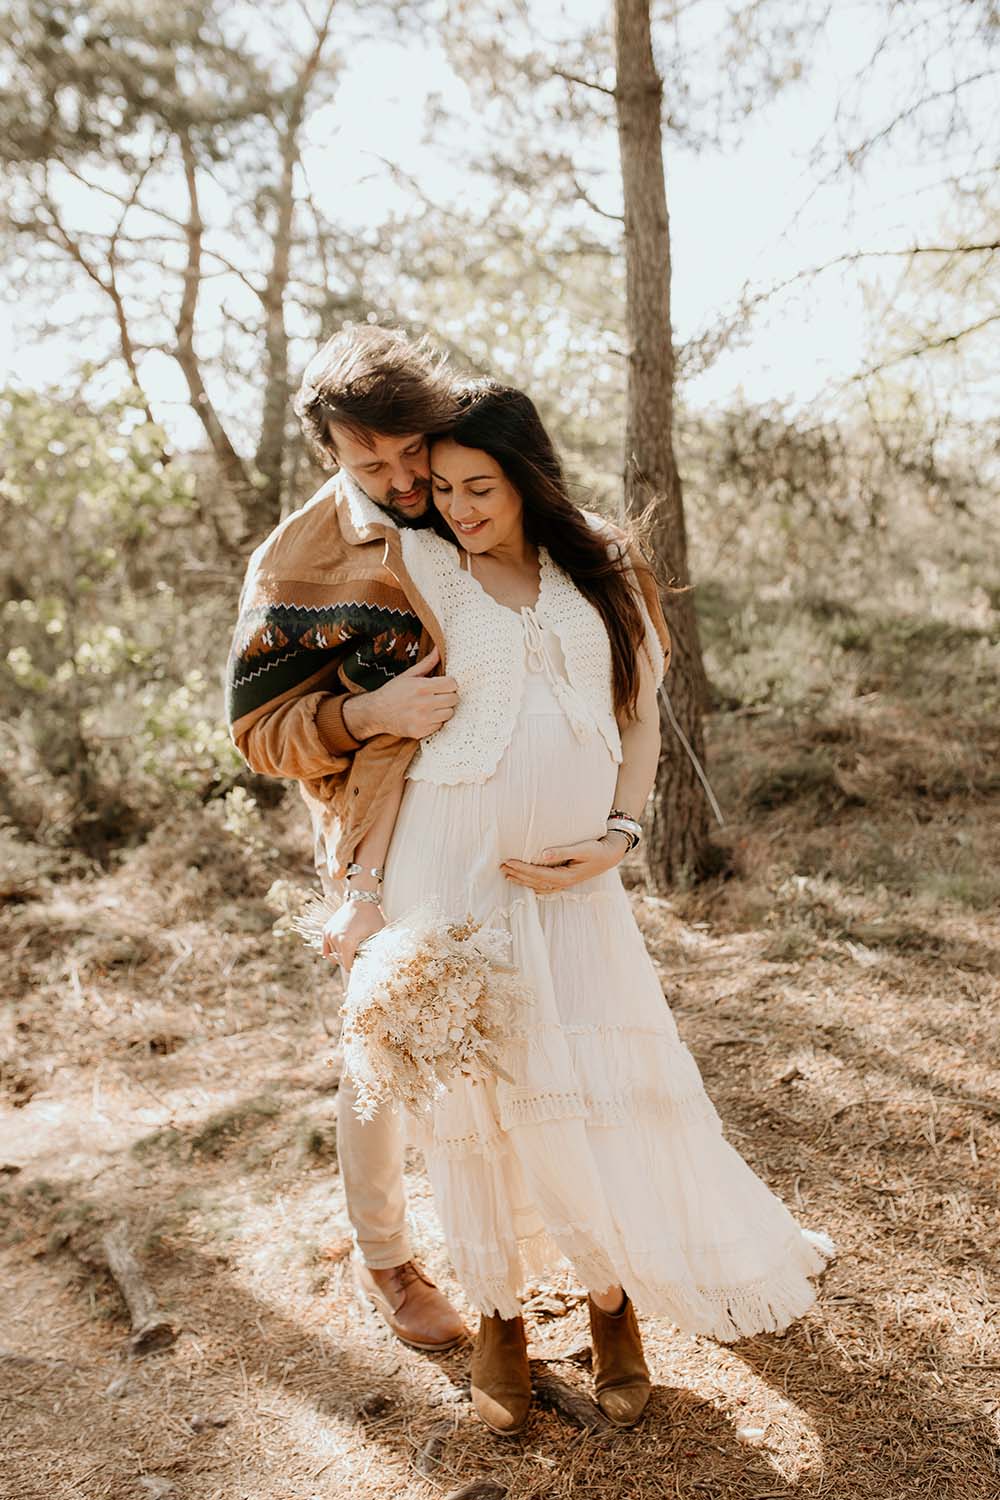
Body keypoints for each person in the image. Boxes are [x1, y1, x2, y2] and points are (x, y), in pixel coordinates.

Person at [322, 381, 834, 1436]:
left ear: (529, 481)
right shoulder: (418, 568)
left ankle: (612, 1306)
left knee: (592, 1087)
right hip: (449, 872)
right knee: (482, 1100)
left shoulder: (600, 567)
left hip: (574, 882)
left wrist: (618, 838)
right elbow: (367, 741)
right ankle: (500, 1316)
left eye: (479, 487)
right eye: (442, 487)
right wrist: (362, 885)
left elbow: (638, 720)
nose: (455, 506)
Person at [226, 324, 469, 1352]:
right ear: (328, 451)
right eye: (374, 461)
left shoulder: (476, 490)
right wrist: (366, 719)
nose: (407, 477)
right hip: (379, 831)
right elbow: (258, 736)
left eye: (415, 448)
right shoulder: (296, 559)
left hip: (497, 818)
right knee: (379, 1052)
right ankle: (386, 1256)